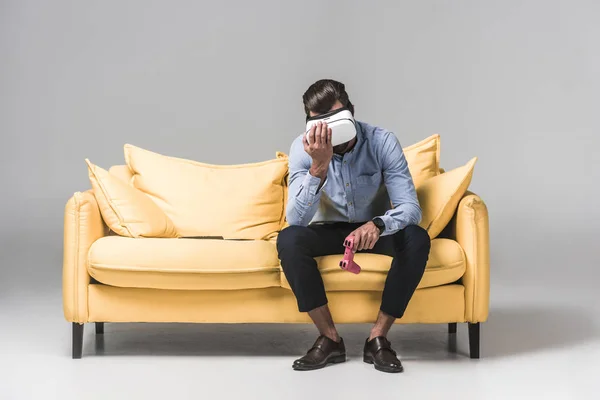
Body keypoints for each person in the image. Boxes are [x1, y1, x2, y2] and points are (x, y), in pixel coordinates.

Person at [276, 79, 431, 373]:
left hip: (374, 229)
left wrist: (378, 224)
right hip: (327, 230)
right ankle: (329, 337)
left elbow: (410, 208)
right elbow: (295, 220)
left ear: (350, 112)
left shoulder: (382, 141)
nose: (328, 129)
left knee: (417, 238)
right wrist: (318, 168)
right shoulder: (302, 148)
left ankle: (378, 338)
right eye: (318, 121)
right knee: (289, 240)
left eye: (334, 118)